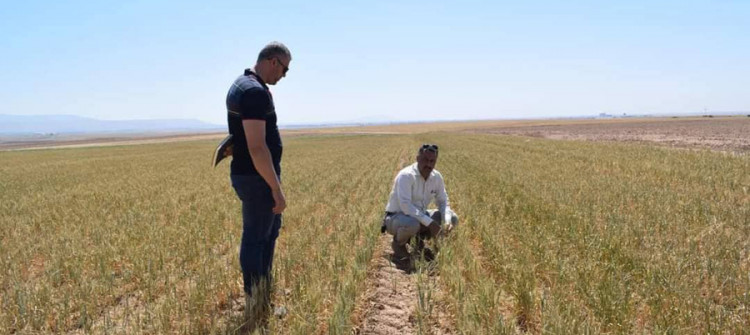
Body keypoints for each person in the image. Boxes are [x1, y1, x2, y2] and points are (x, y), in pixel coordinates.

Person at [225, 41, 291, 329]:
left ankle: (262, 295)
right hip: (256, 178)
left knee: (268, 232)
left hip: (253, 175)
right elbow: (257, 147)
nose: (285, 76)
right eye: (285, 69)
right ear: (273, 61)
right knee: (256, 237)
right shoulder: (253, 91)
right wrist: (276, 189)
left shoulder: (245, 85)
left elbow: (242, 135)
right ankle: (256, 299)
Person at [383, 144, 459, 269]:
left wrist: (446, 220)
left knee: (453, 218)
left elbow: (443, 201)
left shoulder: (436, 177)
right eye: (425, 160)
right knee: (413, 224)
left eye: (432, 161)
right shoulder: (406, 176)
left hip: (419, 216)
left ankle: (433, 247)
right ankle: (398, 244)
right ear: (417, 158)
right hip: (396, 217)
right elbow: (406, 206)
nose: (428, 164)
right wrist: (431, 224)